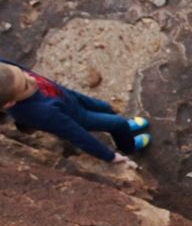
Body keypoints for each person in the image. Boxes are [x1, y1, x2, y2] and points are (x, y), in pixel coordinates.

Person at [0, 60, 150, 165]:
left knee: (105, 107)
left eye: (23, 72)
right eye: (26, 85)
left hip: (67, 97)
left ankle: (124, 128)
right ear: (10, 103)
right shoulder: (39, 113)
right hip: (78, 117)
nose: (31, 78)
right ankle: (128, 146)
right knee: (117, 123)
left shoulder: (9, 74)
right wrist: (109, 156)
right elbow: (77, 135)